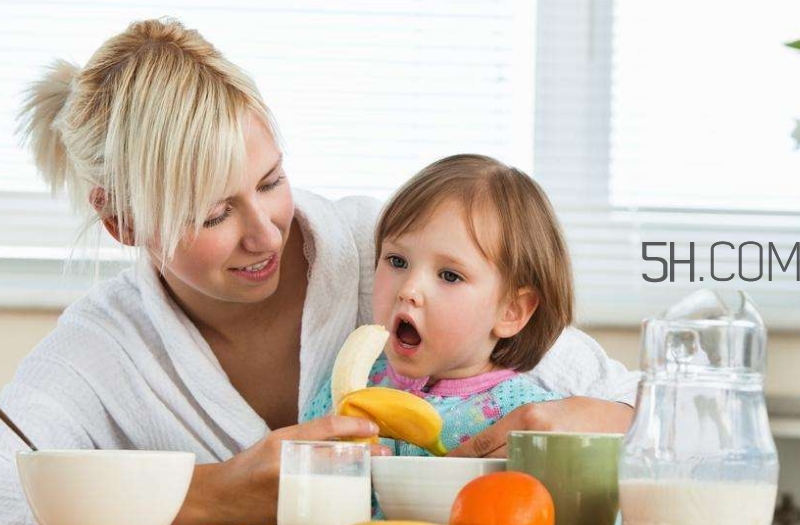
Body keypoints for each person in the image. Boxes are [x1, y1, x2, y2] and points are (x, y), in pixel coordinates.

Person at [0, 18, 638, 525]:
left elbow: (659, 408)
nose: (264, 231)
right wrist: (210, 496)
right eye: (214, 214)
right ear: (124, 226)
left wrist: (600, 420)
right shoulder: (100, 352)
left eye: (271, 181)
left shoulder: (388, 250)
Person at [305, 154, 580, 456]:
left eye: (450, 275)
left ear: (511, 311)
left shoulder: (527, 418)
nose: (409, 290)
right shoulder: (341, 393)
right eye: (397, 261)